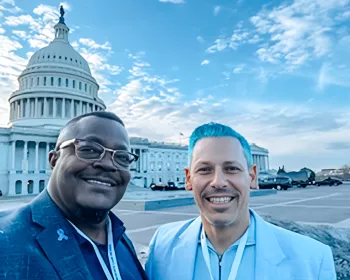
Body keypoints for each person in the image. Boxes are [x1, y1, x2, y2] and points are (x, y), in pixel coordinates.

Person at [145, 122, 336, 280]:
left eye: (231, 169)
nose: (218, 182)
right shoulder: (162, 246)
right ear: (188, 179)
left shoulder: (312, 260)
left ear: (252, 177)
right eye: (204, 169)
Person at [0, 111, 148, 280]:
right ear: (54, 160)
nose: (107, 164)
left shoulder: (121, 240)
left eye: (121, 157)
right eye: (89, 149)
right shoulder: (5, 242)